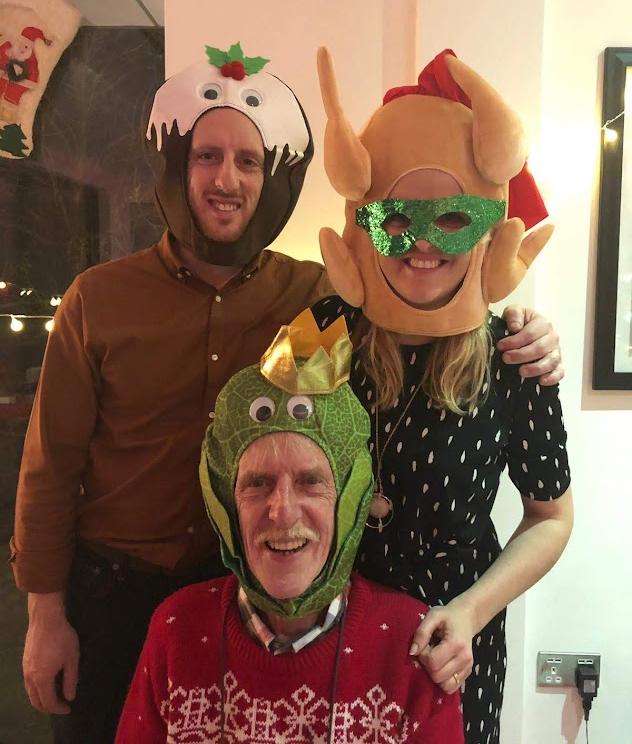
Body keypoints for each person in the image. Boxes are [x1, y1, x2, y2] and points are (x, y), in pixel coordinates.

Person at [11, 41, 561, 744]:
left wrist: (526, 325)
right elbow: (53, 467)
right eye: (207, 156)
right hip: (166, 600)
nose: (226, 178)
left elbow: (549, 513)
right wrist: (44, 613)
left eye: (247, 160)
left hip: (397, 631)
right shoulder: (311, 319)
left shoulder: (329, 306)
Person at [310, 47, 574, 744]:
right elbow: (259, 444)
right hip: (330, 632)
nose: (420, 243)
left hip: (453, 647)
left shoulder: (514, 356)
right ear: (365, 219)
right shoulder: (323, 330)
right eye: (395, 218)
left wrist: (473, 611)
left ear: (487, 222)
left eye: (453, 217)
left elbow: (551, 516)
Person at [116, 312, 465, 743]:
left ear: (350, 499)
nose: (283, 513)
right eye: (257, 484)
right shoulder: (177, 630)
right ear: (226, 502)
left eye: (310, 482)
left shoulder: (412, 647)